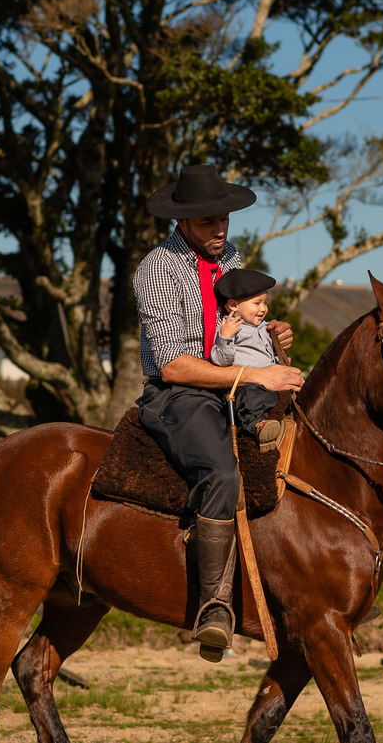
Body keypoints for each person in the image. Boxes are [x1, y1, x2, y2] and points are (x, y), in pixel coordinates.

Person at [133, 164, 304, 662]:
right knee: (223, 472)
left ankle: (314, 587)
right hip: (178, 394)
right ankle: (215, 607)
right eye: (209, 222)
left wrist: (270, 332)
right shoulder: (156, 269)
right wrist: (255, 376)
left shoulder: (228, 256)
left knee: (302, 448)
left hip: (234, 382)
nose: (220, 230)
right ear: (182, 223)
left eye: (224, 219)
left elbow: (242, 313)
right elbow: (173, 364)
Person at [209, 268, 288, 448]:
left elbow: (267, 356)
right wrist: (226, 338)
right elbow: (220, 360)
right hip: (247, 384)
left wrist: (280, 362)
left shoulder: (264, 328)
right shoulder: (229, 328)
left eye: (265, 303)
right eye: (257, 303)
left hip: (269, 383)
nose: (263, 309)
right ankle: (259, 425)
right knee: (249, 397)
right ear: (233, 305)